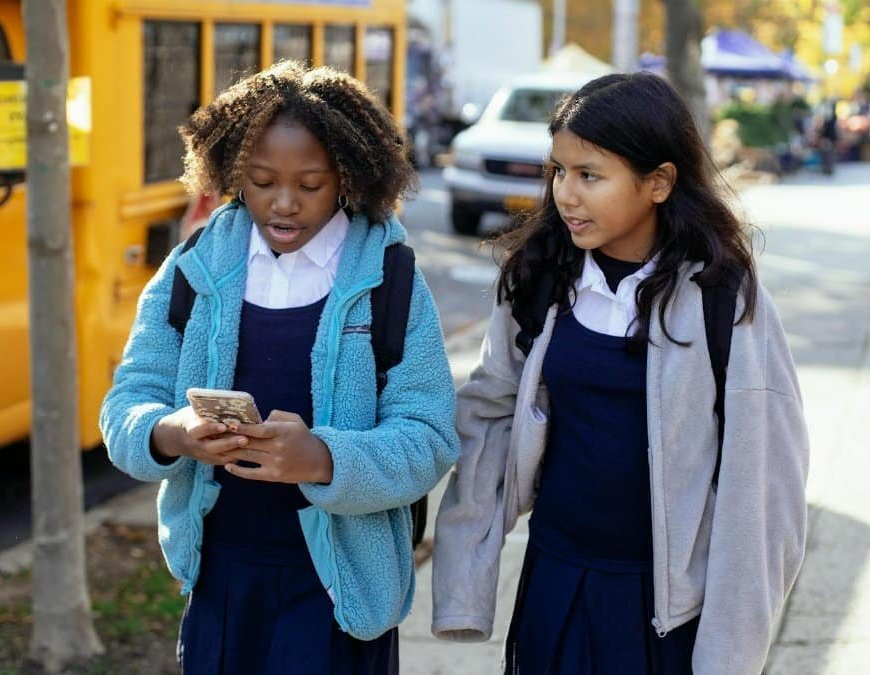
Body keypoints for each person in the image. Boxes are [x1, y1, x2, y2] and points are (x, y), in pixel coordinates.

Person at [430, 72, 809, 674]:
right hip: (554, 583)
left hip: (665, 613)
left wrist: (729, 656)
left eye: (590, 175)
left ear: (657, 182)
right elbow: (489, 414)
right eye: (558, 171)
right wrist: (464, 579)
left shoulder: (721, 299)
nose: (565, 195)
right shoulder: (539, 281)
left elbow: (762, 491)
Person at [99, 60, 458, 674]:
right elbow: (125, 405)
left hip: (340, 593)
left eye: (311, 184)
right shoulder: (192, 268)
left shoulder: (389, 279)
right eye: (262, 182)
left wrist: (322, 458)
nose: (284, 203)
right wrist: (171, 433)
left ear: (347, 175)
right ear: (234, 173)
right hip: (221, 580)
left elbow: (430, 436)